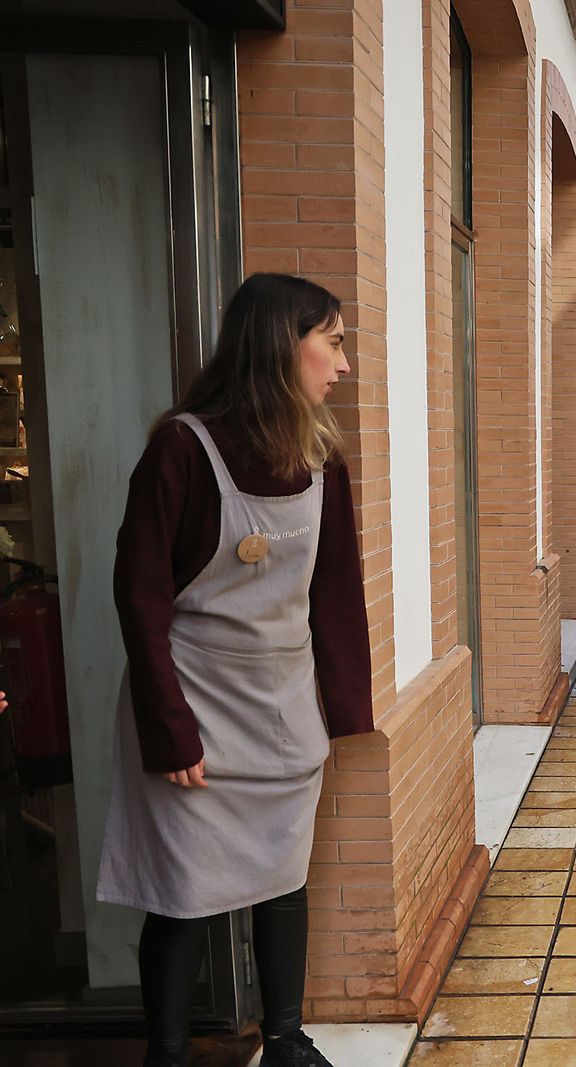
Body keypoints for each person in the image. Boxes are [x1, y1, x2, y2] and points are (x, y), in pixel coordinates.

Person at [100, 273, 371, 1067]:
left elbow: (336, 588)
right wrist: (168, 727)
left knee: (284, 873)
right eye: (335, 341)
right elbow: (140, 598)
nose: (343, 365)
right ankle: (169, 1053)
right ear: (284, 346)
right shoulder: (182, 450)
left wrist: (341, 705)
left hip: (282, 703)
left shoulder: (322, 458)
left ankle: (284, 1038)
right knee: (182, 890)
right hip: (194, 707)